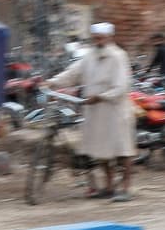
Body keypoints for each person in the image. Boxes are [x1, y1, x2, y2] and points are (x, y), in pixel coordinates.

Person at [48, 22, 136, 202]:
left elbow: (121, 87)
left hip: (115, 111)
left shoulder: (118, 56)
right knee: (101, 151)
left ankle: (126, 188)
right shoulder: (89, 56)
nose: (98, 42)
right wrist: (51, 82)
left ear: (109, 38)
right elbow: (72, 74)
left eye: (101, 38)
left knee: (122, 150)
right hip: (95, 112)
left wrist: (101, 96)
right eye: (95, 38)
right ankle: (109, 186)